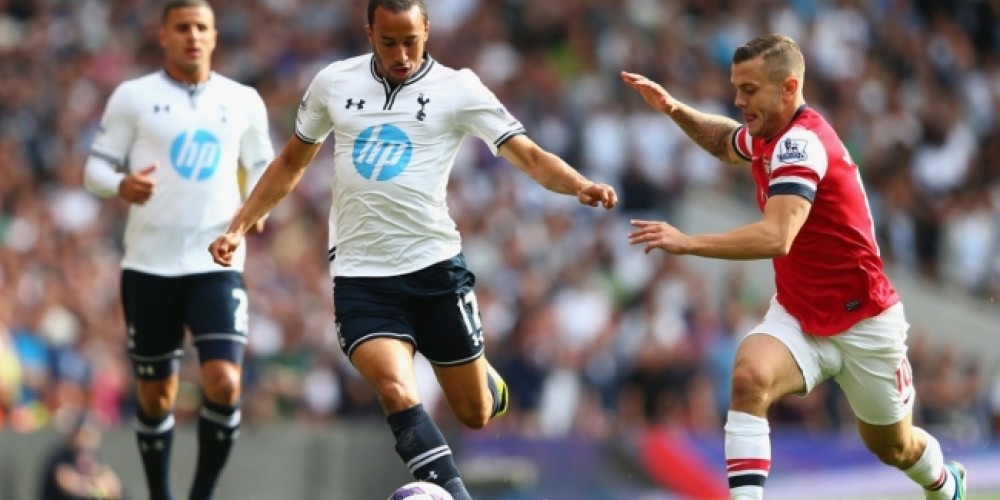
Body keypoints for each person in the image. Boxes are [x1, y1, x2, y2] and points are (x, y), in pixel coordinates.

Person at [208, 1, 617, 498]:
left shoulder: (458, 89)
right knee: (397, 389)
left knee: (475, 414)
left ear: (427, 30)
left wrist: (579, 185)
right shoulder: (334, 84)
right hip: (361, 276)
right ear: (369, 34)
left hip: (435, 269)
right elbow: (292, 160)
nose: (401, 54)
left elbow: (526, 153)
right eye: (388, 42)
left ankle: (486, 377)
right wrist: (240, 225)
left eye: (411, 40)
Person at [622, 34, 967, 500]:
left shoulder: (801, 144)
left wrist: (687, 242)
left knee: (896, 447)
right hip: (800, 316)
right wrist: (674, 109)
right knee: (749, 377)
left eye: (749, 90)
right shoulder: (769, 134)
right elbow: (727, 143)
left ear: (788, 88)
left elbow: (777, 236)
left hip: (864, 321)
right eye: (736, 88)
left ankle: (947, 483)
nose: (738, 100)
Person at [83, 1, 274, 499]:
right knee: (156, 394)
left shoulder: (242, 100)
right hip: (148, 265)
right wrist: (121, 185)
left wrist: (255, 211)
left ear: (214, 36)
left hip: (216, 262)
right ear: (164, 35)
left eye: (202, 27)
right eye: (183, 27)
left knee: (225, 383)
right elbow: (95, 169)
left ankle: (202, 494)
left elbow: (263, 166)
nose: (193, 35)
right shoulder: (134, 97)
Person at [38, 412, 124, 500]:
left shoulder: (93, 457)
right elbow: (68, 484)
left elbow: (113, 484)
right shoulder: (61, 457)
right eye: (83, 434)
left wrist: (105, 488)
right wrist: (98, 490)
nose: (87, 439)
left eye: (91, 434)